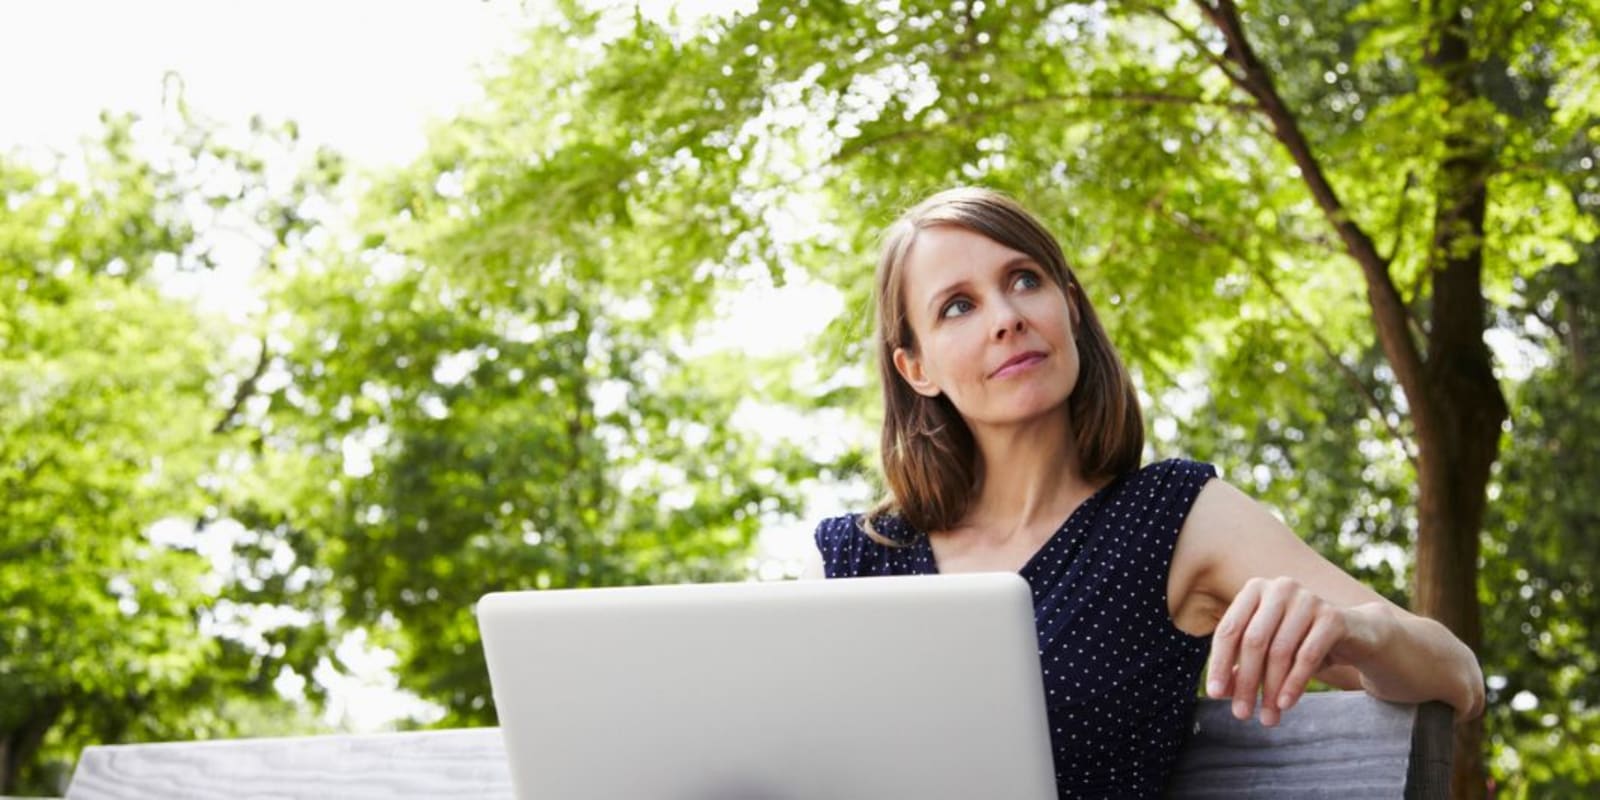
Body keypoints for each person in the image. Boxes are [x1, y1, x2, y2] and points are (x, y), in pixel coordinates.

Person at [801, 187, 1484, 797]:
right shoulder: (849, 562)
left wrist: (1357, 629)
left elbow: (1461, 678)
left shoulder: (1176, 518)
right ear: (915, 367)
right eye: (957, 306)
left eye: (1024, 279)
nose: (1005, 317)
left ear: (1068, 305)